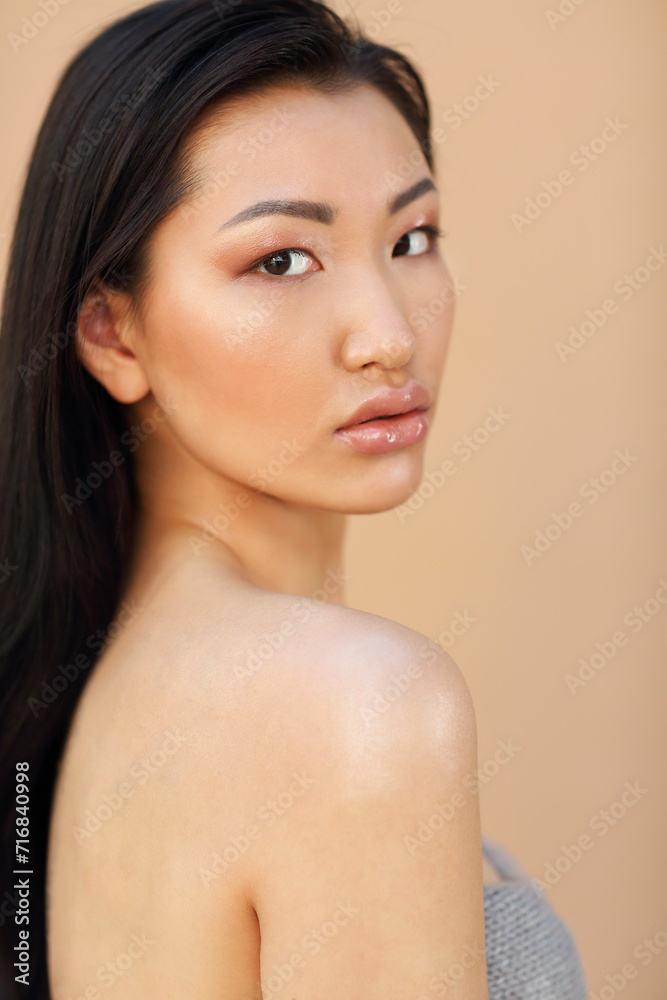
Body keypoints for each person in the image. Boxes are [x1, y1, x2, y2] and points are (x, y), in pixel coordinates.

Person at [0, 2, 587, 997]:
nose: (388, 337)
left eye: (411, 238)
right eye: (281, 260)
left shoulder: (111, 697)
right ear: (110, 333)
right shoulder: (356, 704)